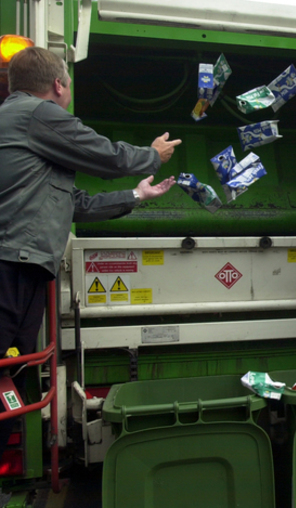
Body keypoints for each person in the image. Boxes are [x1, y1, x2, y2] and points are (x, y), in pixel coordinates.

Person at [0, 46, 181, 457]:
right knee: (7, 370)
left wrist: (137, 194)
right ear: (59, 85)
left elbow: (73, 203)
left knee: (12, 372)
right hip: (11, 264)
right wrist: (152, 155)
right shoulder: (38, 114)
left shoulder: (21, 127)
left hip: (21, 265)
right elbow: (105, 155)